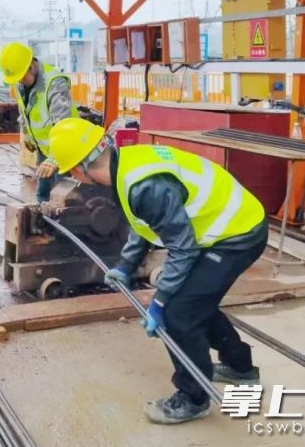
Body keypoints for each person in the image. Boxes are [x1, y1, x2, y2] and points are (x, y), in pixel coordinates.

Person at [48, 117, 269, 425]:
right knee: (194, 303)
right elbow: (145, 225)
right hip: (225, 225)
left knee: (179, 314)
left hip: (238, 234)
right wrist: (125, 267)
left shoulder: (143, 186)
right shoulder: (126, 166)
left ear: (77, 170)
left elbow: (183, 248)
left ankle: (193, 398)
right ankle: (240, 367)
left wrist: (160, 303)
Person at [0, 41, 77, 204]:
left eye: (21, 77)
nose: (20, 81)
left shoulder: (54, 83)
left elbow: (63, 125)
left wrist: (54, 158)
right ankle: (42, 216)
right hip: (44, 149)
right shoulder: (21, 85)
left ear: (31, 67)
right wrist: (27, 136)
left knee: (62, 196)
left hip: (64, 149)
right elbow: (24, 112)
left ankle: (62, 219)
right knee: (43, 193)